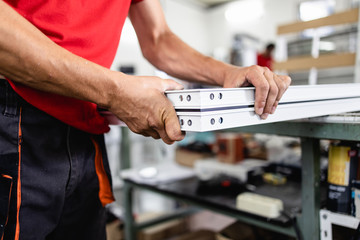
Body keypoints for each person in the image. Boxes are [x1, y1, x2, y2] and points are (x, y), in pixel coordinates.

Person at [0, 0, 291, 239]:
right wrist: (115, 91)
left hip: (85, 123)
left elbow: (158, 38)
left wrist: (226, 73)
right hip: (14, 114)